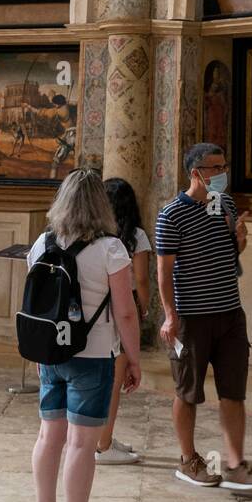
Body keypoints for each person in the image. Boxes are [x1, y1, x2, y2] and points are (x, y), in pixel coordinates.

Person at [26, 169, 141, 502]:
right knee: (80, 445)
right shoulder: (111, 248)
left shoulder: (42, 242)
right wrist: (134, 358)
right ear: (99, 204)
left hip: (49, 356)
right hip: (91, 359)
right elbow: (125, 313)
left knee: (48, 437)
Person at [155, 142, 252, 492]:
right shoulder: (171, 214)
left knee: (233, 391)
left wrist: (239, 239)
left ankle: (236, 464)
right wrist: (169, 316)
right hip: (191, 318)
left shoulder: (225, 204)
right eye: (216, 168)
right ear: (196, 173)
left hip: (229, 313)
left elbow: (230, 254)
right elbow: (164, 272)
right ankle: (189, 459)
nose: (223, 173)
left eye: (225, 166)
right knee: (188, 391)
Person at [95, 177, 152, 464]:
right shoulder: (136, 236)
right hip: (123, 302)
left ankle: (102, 436)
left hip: (97, 306)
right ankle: (102, 446)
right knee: (115, 380)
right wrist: (143, 308)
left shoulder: (96, 233)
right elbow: (141, 279)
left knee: (100, 379)